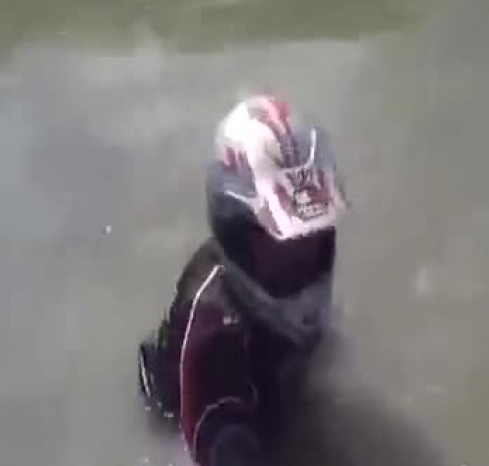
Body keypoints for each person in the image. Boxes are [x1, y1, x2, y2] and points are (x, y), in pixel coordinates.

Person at [137, 94, 348, 466]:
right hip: (196, 405)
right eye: (282, 240)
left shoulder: (299, 287)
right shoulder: (214, 326)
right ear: (237, 231)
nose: (302, 253)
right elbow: (216, 436)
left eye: (311, 234)